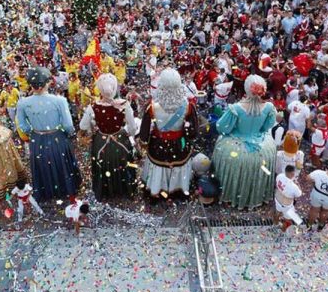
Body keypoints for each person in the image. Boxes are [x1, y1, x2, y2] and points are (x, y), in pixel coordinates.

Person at [211, 75, 278, 209]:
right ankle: (254, 197)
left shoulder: (236, 108)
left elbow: (222, 127)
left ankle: (230, 195)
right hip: (262, 145)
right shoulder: (269, 107)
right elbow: (266, 127)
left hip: (236, 143)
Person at [17, 66, 82, 201]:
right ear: (48, 82)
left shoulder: (22, 103)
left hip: (37, 137)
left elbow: (22, 125)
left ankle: (46, 191)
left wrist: (34, 133)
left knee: (42, 164)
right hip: (57, 136)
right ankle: (66, 188)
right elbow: (68, 125)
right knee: (60, 162)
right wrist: (69, 134)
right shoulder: (59, 100)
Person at [138, 68, 199, 198]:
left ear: (161, 85)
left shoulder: (152, 107)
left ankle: (157, 189)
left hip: (158, 146)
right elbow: (193, 133)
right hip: (180, 145)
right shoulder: (188, 106)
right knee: (180, 162)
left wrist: (144, 143)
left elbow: (144, 135)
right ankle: (179, 188)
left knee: (157, 165)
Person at [79, 73, 138, 201]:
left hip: (101, 141)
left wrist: (93, 128)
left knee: (102, 163)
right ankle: (124, 188)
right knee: (123, 162)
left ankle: (105, 190)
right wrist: (129, 134)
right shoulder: (124, 104)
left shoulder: (93, 106)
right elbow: (133, 127)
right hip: (120, 139)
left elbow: (83, 126)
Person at [274, 164, 303, 231]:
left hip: (277, 199)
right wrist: (298, 185)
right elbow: (299, 194)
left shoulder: (279, 175)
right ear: (292, 173)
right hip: (286, 205)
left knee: (277, 212)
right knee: (287, 220)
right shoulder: (293, 186)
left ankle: (275, 223)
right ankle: (283, 230)